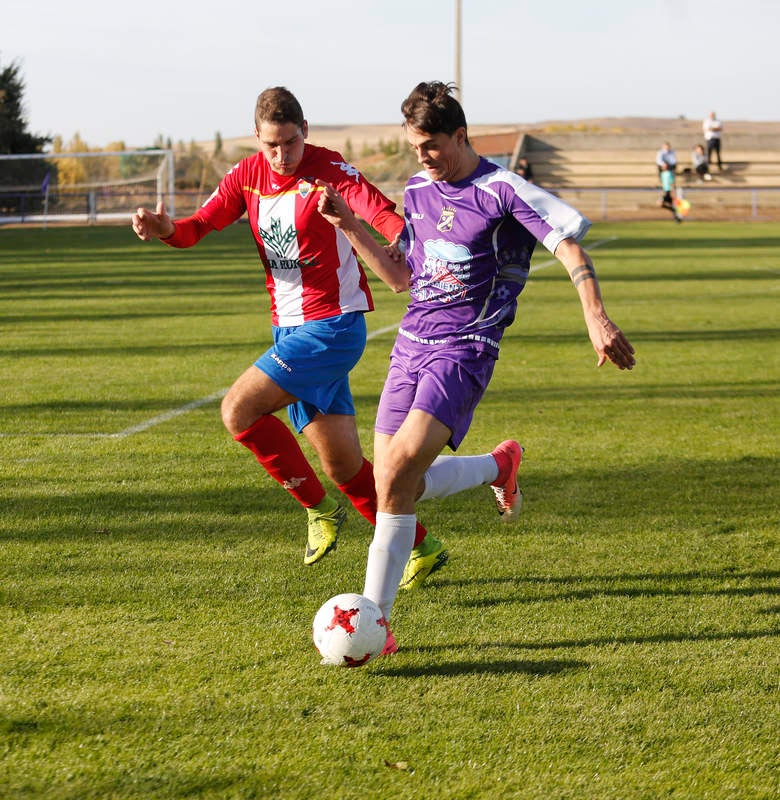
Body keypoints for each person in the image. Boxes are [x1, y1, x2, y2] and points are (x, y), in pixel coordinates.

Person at [317, 81, 636, 652]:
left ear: (460, 136)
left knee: (394, 478)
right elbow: (400, 279)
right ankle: (498, 466)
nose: (422, 157)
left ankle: (376, 627)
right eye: (415, 147)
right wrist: (348, 224)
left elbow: (570, 249)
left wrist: (596, 316)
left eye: (432, 145)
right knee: (393, 480)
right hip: (411, 345)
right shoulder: (417, 190)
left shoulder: (502, 190)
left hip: (465, 347)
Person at [131, 86, 443, 572]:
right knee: (343, 465)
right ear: (257, 138)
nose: (282, 155)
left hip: (334, 328)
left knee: (238, 410)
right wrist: (165, 227)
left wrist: (406, 241)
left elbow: (377, 208)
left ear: (306, 132)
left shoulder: (328, 169)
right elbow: (197, 228)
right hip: (288, 332)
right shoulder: (246, 176)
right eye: (271, 144)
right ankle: (421, 548)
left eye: (291, 142)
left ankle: (320, 512)